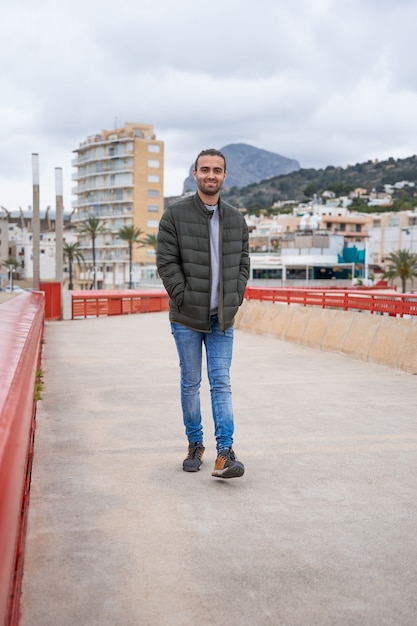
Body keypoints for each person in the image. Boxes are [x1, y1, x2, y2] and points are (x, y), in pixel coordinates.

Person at [156, 148, 250, 479]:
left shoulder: (236, 219)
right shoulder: (174, 215)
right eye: (205, 169)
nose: (211, 175)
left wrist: (235, 296)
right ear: (195, 174)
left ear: (225, 176)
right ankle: (195, 444)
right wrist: (183, 297)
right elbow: (166, 263)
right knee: (190, 382)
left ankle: (225, 452)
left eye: (217, 170)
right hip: (186, 318)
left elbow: (243, 263)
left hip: (221, 318)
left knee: (221, 382)